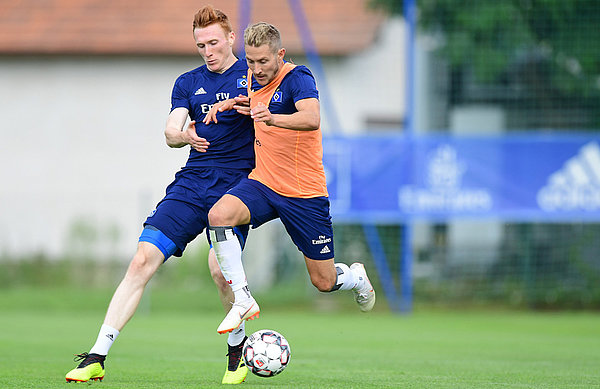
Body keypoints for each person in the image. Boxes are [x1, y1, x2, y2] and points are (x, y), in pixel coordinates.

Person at [65, 6, 254, 385]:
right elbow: (170, 130)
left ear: (232, 38)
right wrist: (184, 135)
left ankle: (237, 355)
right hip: (192, 183)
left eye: (214, 42)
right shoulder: (187, 82)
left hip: (236, 188)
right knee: (141, 260)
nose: (208, 51)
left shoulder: (253, 75)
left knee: (220, 272)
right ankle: (97, 356)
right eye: (201, 44)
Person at [204, 22, 376, 335]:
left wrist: (273, 118)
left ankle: (354, 277)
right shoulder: (252, 78)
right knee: (218, 215)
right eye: (251, 61)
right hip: (265, 183)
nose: (256, 68)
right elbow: (258, 103)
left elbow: (311, 118)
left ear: (280, 54)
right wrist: (232, 103)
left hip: (303, 192)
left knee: (323, 282)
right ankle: (243, 299)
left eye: (263, 61)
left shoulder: (299, 77)